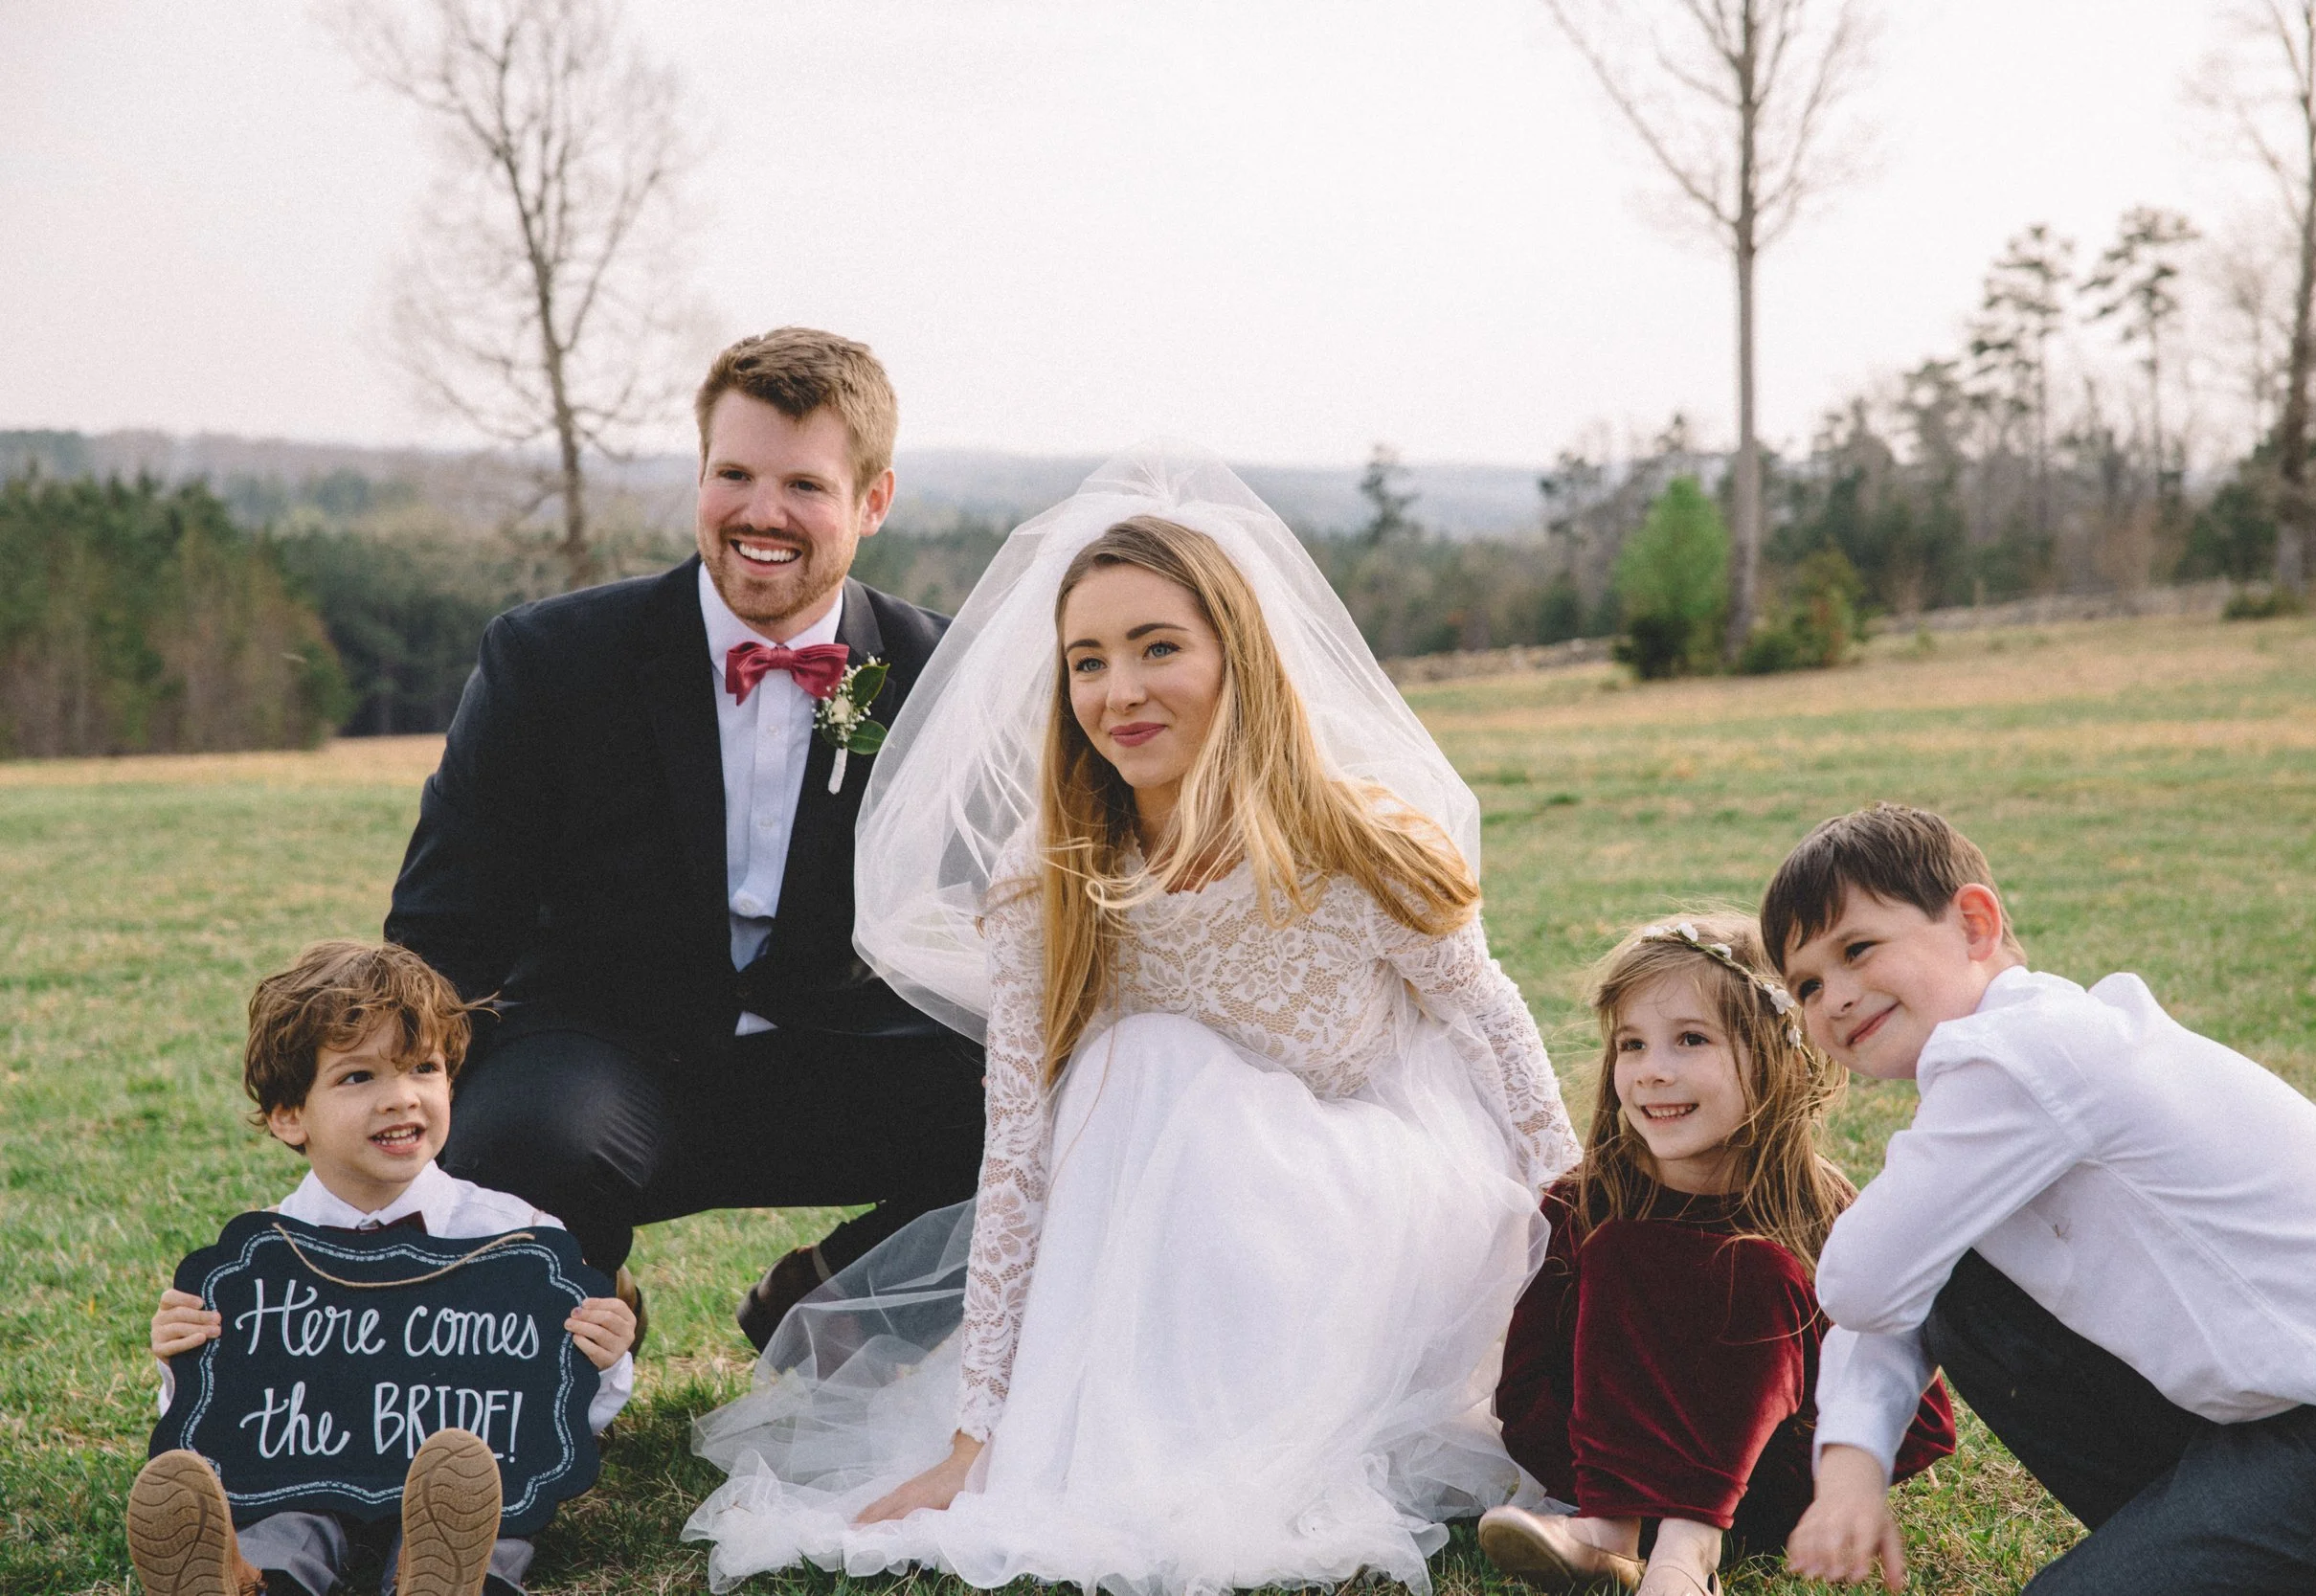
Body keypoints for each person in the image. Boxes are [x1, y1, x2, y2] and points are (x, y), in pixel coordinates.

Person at [681, 447, 1582, 1595]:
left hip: (1377, 1207)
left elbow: (1491, 1025)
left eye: (1160, 646)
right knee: (1134, 1063)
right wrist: (978, 1431)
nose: (1121, 691)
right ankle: (1081, 1443)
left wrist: (1585, 1222)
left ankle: (1208, 1439)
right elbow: (1017, 1153)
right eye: (1088, 661)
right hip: (1168, 1243)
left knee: (1163, 1066)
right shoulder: (1048, 880)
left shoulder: (1360, 840)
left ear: (1235, 656)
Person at [385, 327, 984, 1348]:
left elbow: (1002, 905)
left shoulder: (942, 672)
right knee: (516, 1141)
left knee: (1059, 1116)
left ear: (873, 501)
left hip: (842, 1055)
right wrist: (399, 1090)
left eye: (805, 484)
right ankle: (587, 1300)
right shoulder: (551, 657)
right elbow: (447, 917)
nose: (761, 513)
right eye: (733, 474)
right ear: (698, 472)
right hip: (606, 1050)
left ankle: (832, 1299)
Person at [1764, 803, 2316, 1594]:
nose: (1837, 998)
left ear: (1974, 923)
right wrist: (1853, 1464)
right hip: (2283, 1422)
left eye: (1858, 949)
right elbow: (1894, 1289)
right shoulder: (2014, 1066)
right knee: (1956, 1275)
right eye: (1808, 985)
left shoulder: (2027, 1054)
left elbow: (1861, 1279)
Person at [127, 939, 635, 1596]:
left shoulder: (519, 1238)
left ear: (452, 1081)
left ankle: (441, 1582)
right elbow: (229, 1415)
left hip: (459, 1479)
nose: (402, 1098)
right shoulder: (264, 1262)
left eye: (422, 1068)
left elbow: (555, 1414)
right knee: (281, 1509)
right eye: (358, 1077)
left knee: (488, 1505)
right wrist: (181, 1357)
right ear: (287, 1115)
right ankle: (249, 1580)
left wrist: (606, 1354)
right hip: (308, 1470)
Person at [1478, 915, 1953, 1596]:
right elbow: (1527, 1384)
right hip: (1605, 1475)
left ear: (1771, 1057)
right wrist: (1597, 1472)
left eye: (1691, 1040)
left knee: (1754, 1269)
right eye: (1632, 1045)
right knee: (1620, 1248)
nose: (1653, 1071)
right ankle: (1608, 1534)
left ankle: (1687, 1557)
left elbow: (1916, 1409)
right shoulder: (1587, 1203)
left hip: (1758, 1487)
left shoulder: (1815, 1205)